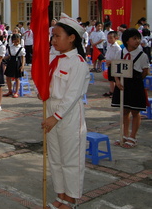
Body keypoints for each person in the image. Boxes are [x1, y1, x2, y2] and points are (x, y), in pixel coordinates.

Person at [41, 13, 89, 209]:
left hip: (67, 114)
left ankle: (71, 198)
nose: (53, 40)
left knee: (70, 158)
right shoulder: (55, 58)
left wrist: (56, 117)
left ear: (72, 38)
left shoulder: (77, 63)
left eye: (57, 36)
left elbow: (72, 94)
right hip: (51, 109)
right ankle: (60, 195)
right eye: (52, 36)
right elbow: (48, 83)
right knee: (55, 157)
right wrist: (41, 92)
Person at [111, 28, 149, 149]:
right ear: (127, 41)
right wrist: (117, 81)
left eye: (138, 38)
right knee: (124, 110)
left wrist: (136, 81)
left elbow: (145, 71)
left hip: (135, 85)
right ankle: (124, 134)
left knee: (135, 111)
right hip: (122, 84)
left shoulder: (142, 55)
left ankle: (133, 136)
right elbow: (115, 69)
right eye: (134, 38)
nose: (137, 41)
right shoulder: (120, 53)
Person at [4, 34, 26, 98]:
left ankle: (16, 92)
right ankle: (10, 90)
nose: (16, 43)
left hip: (18, 63)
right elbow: (8, 56)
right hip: (11, 62)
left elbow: (23, 57)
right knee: (8, 77)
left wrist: (22, 65)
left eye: (18, 41)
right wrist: (2, 58)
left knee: (17, 78)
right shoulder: (10, 47)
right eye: (15, 41)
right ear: (12, 41)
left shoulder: (21, 48)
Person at [103, 31, 121, 97]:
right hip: (109, 64)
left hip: (114, 65)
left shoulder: (117, 48)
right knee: (110, 79)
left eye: (111, 38)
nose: (109, 40)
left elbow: (118, 58)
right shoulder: (109, 46)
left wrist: (111, 62)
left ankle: (115, 93)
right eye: (108, 38)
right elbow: (107, 54)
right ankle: (111, 91)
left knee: (114, 79)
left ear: (115, 38)